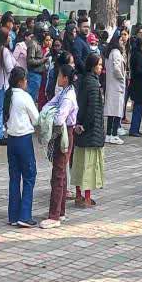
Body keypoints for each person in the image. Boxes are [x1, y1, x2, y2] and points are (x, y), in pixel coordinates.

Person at [40, 64, 79, 229]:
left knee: (58, 174)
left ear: (65, 78)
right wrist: (50, 110)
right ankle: (60, 211)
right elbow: (48, 105)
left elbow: (58, 119)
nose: (57, 79)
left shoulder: (68, 96)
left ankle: (54, 215)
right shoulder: (64, 92)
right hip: (63, 132)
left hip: (64, 133)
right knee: (60, 172)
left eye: (59, 76)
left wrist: (51, 113)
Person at [4, 67, 40, 227]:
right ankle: (25, 215)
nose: (27, 82)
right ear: (21, 81)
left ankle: (13, 215)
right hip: (24, 139)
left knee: (14, 177)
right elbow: (37, 118)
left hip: (11, 140)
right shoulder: (24, 97)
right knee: (29, 176)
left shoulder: (8, 95)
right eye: (26, 80)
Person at [72, 54, 106, 208]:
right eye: (99, 65)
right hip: (92, 131)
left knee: (79, 164)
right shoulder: (93, 84)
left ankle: (79, 195)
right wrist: (85, 125)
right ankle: (86, 198)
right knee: (89, 166)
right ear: (93, 66)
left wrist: (79, 124)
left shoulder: (83, 81)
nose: (101, 68)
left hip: (82, 129)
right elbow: (93, 109)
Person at [103, 28, 129, 144]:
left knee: (111, 112)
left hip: (110, 85)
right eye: (120, 39)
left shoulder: (109, 53)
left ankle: (109, 134)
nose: (122, 41)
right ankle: (113, 134)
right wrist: (122, 79)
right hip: (117, 85)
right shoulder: (116, 53)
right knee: (117, 111)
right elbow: (117, 69)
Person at [0, 29, 16, 144]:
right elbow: (10, 67)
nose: (10, 38)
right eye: (8, 36)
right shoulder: (4, 51)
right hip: (2, 83)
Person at [126, 34, 142, 137]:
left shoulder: (136, 54)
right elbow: (139, 70)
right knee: (138, 108)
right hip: (138, 85)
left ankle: (136, 128)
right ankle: (134, 129)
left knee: (138, 108)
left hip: (137, 84)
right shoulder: (138, 56)